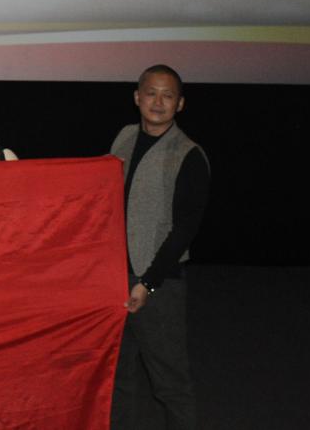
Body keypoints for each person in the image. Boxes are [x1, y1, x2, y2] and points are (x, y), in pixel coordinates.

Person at [109, 64, 210, 430]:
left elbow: (184, 230)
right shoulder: (124, 137)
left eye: (168, 96)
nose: (158, 102)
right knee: (118, 378)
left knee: (170, 384)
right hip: (114, 279)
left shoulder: (188, 155)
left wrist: (147, 283)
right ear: (137, 97)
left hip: (158, 285)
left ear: (180, 104)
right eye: (151, 93)